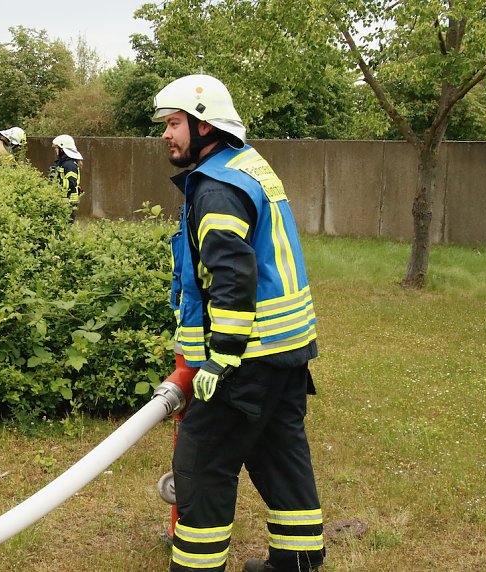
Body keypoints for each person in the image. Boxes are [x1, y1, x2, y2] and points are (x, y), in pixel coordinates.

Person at [152, 74, 324, 572]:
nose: (167, 134)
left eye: (176, 123)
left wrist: (222, 356)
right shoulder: (248, 167)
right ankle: (297, 562)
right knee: (279, 453)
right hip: (286, 349)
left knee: (203, 464)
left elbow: (232, 273)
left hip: (243, 357)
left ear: (206, 127)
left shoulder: (216, 188)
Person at [49, 134, 83, 222]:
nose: (55, 150)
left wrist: (56, 179)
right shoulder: (64, 162)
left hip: (68, 201)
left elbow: (71, 183)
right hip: (64, 200)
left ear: (62, 149)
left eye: (56, 148)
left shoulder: (69, 164)